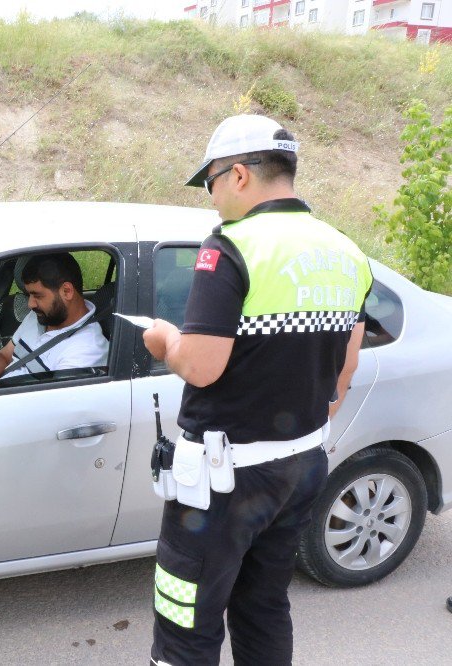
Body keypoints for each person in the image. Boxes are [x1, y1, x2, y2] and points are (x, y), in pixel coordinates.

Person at [143, 114, 373, 666]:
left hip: (223, 480)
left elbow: (201, 367)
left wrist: (163, 340)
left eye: (211, 182)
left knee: (185, 621)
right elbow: (345, 370)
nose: (211, 196)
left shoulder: (230, 248)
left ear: (239, 176)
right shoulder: (347, 253)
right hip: (301, 466)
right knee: (264, 605)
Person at [0, 252, 108, 388]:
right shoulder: (41, 316)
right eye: (29, 294)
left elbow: (49, 411)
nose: (30, 304)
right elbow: (5, 357)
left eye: (37, 295)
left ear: (67, 291)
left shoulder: (87, 350)